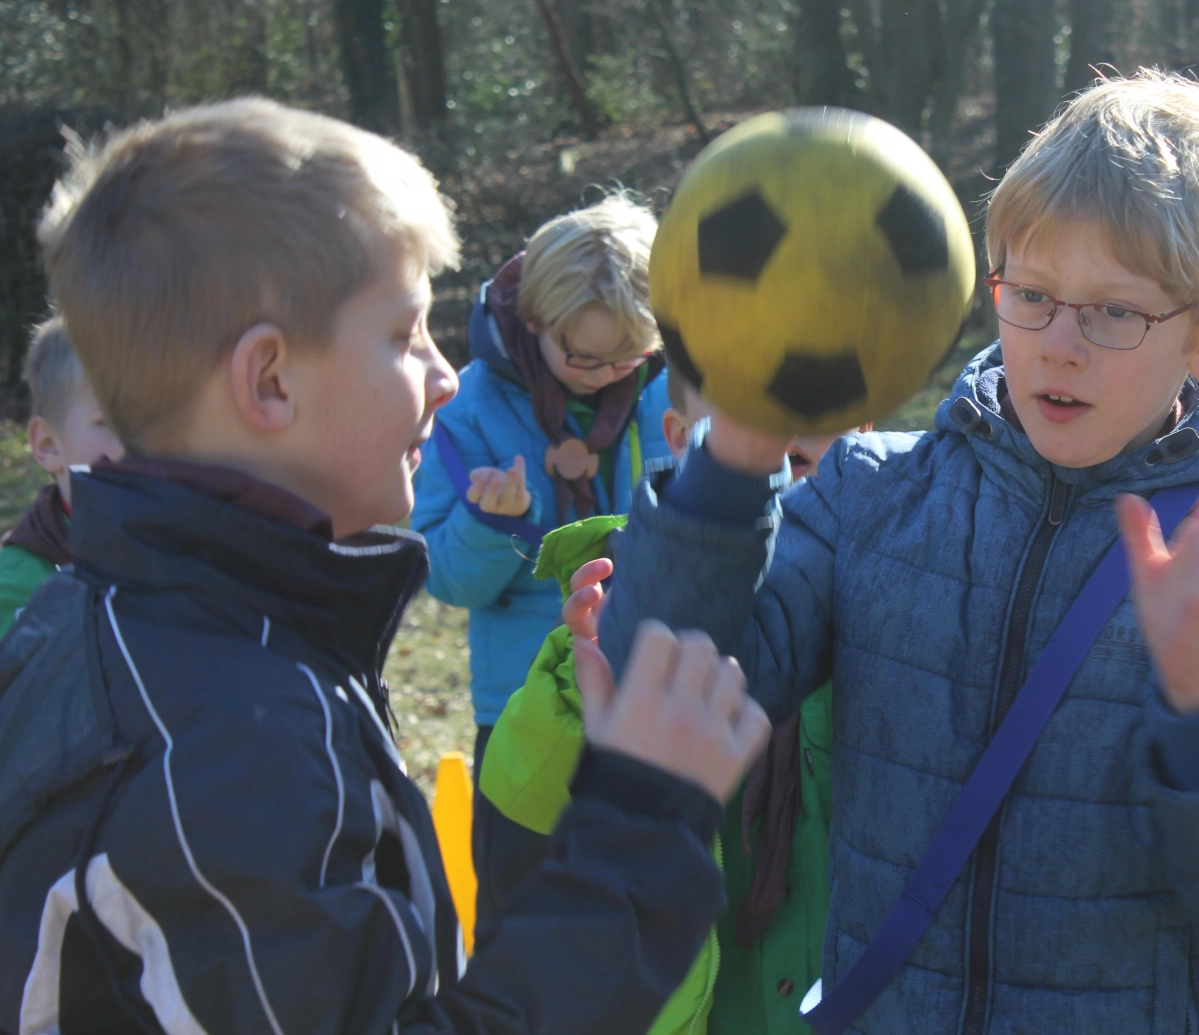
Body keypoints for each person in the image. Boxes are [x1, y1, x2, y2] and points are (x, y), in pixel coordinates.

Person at [598, 70, 1199, 1034]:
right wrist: (734, 460)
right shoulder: (869, 495)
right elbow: (664, 691)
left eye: (1115, 313)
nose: (1060, 344)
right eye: (1033, 295)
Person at [0, 97, 770, 1035]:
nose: (446, 377)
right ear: (270, 381)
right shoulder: (229, 750)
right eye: (408, 335)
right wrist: (643, 819)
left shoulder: (146, 626)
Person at [477, 366, 860, 1035]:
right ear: (680, 439)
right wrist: (592, 670)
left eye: (798, 453)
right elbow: (526, 803)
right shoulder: (622, 602)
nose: (777, 429)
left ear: (863, 435)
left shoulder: (888, 602)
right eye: (746, 435)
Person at [411, 193, 672, 888]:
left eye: (630, 358)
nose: (609, 376)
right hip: (530, 710)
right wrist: (492, 524)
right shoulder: (465, 411)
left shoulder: (671, 394)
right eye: (584, 359)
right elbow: (447, 579)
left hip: (657, 699)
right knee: (523, 916)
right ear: (534, 323)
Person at [0, 316, 122, 637]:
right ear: (48, 445)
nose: (142, 443)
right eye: (111, 420)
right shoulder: (14, 591)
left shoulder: (203, 557)